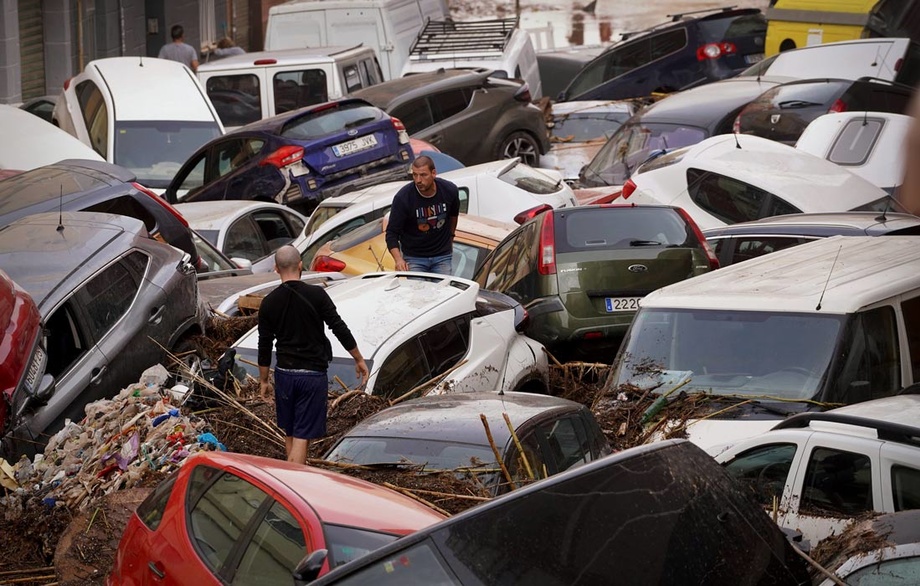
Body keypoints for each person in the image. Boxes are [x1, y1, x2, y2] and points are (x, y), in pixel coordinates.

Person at [257, 245, 369, 464]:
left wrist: (263, 380)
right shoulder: (317, 295)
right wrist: (358, 358)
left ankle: (293, 474)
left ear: (276, 269)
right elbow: (339, 327)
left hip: (284, 374)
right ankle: (293, 484)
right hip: (311, 376)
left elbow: (264, 344)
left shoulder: (269, 302)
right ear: (301, 265)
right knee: (301, 436)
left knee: (290, 431)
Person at [385, 155, 461, 275]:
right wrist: (398, 259)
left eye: (423, 175)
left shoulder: (449, 190)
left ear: (433, 173)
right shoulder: (403, 198)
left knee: (443, 291)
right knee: (419, 292)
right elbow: (391, 233)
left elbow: (453, 215)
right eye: (415, 175)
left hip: (442, 255)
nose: (418, 180)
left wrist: (451, 237)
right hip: (414, 258)